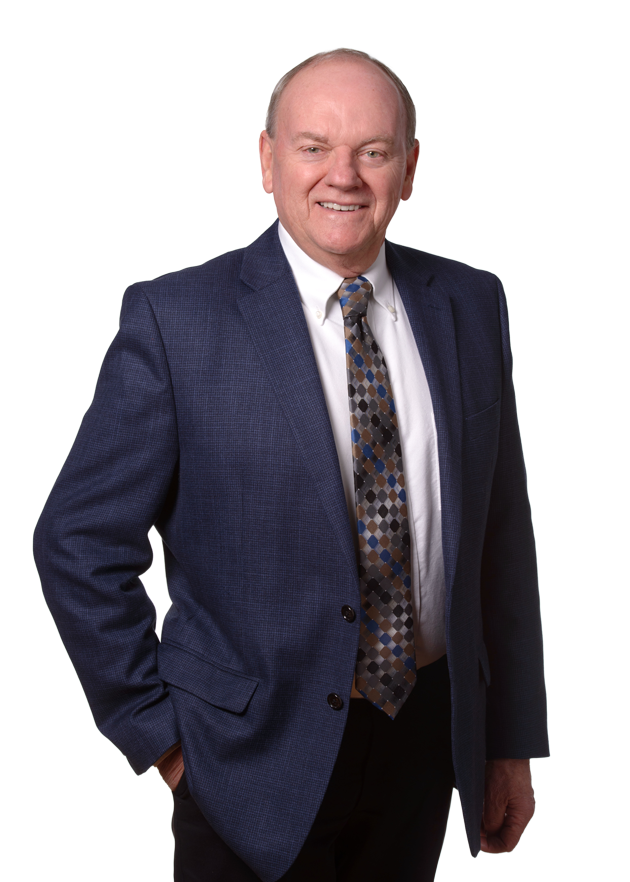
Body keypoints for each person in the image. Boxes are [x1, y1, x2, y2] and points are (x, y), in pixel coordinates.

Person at [33, 48, 549, 882]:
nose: (343, 175)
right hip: (245, 758)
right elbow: (76, 542)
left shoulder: (470, 304)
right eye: (314, 147)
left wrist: (507, 741)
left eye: (373, 150)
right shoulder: (177, 321)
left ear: (410, 168)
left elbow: (500, 538)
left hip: (423, 742)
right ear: (268, 160)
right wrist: (163, 741)